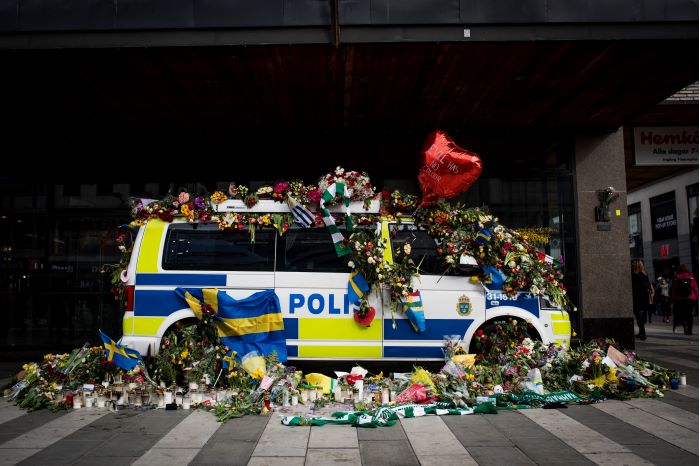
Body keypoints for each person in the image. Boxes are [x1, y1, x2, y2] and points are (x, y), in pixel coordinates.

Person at [671, 265, 698, 335]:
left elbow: (674, 290)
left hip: (680, 299)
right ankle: (690, 329)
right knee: (689, 314)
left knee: (682, 314)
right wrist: (697, 297)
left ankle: (685, 327)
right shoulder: (691, 277)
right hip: (691, 298)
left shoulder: (676, 278)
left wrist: (673, 299)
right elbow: (695, 288)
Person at [631, 259, 652, 340]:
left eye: (633, 264)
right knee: (642, 315)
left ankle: (643, 333)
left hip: (637, 297)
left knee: (639, 315)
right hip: (644, 297)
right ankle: (641, 332)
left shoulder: (635, 275)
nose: (631, 265)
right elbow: (648, 286)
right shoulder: (644, 274)